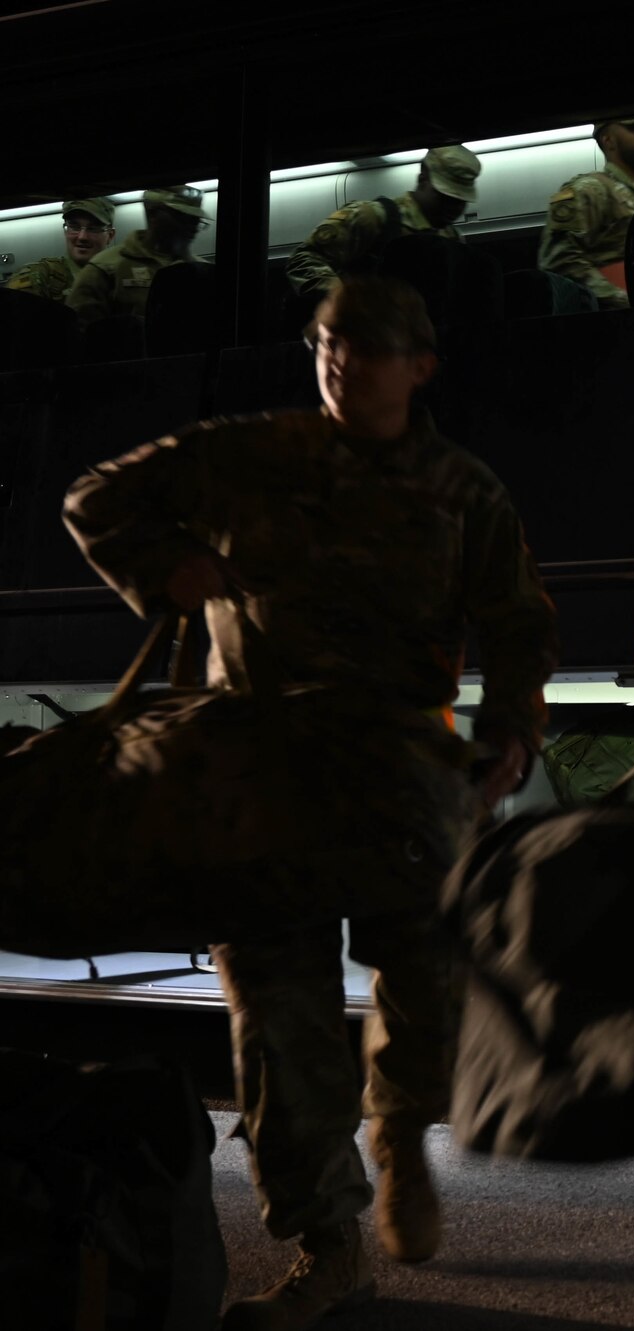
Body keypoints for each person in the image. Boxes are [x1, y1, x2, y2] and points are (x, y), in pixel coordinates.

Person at [63, 277, 560, 1331]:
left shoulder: (459, 488)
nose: (343, 362)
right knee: (277, 1022)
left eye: (368, 349)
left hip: (402, 774)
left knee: (424, 989)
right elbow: (94, 500)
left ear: (418, 366)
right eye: (329, 344)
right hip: (259, 769)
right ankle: (331, 1243)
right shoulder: (247, 453)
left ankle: (401, 1130)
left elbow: (517, 617)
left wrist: (513, 728)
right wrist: (170, 570)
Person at [286, 145, 482, 297]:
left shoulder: (453, 240)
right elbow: (304, 259)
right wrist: (347, 302)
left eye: (460, 201)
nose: (453, 207)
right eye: (445, 196)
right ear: (423, 178)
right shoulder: (372, 217)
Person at [538, 114, 634, 310]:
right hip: (616, 326)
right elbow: (560, 262)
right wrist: (625, 300)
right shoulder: (590, 189)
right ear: (608, 141)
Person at [64, 185, 208, 324]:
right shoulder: (107, 268)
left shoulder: (204, 271)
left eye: (196, 221)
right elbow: (79, 334)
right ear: (153, 214)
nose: (192, 227)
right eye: (181, 217)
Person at [4, 197, 116, 302]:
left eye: (93, 229)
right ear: (66, 231)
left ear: (110, 235)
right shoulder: (39, 275)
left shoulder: (122, 276)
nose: (82, 237)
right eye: (74, 227)